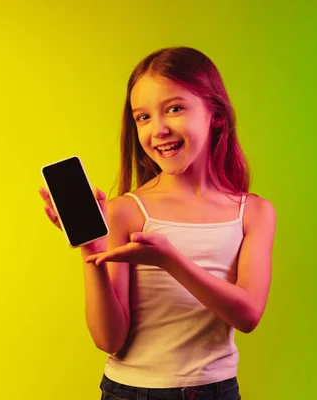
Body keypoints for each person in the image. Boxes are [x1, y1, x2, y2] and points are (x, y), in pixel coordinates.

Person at [39, 46, 276, 400]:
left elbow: (248, 315)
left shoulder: (254, 212)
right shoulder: (126, 211)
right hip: (131, 392)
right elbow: (109, 340)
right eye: (143, 117)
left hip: (215, 391)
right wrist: (92, 252)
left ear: (216, 115)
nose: (159, 129)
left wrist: (170, 260)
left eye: (175, 109)